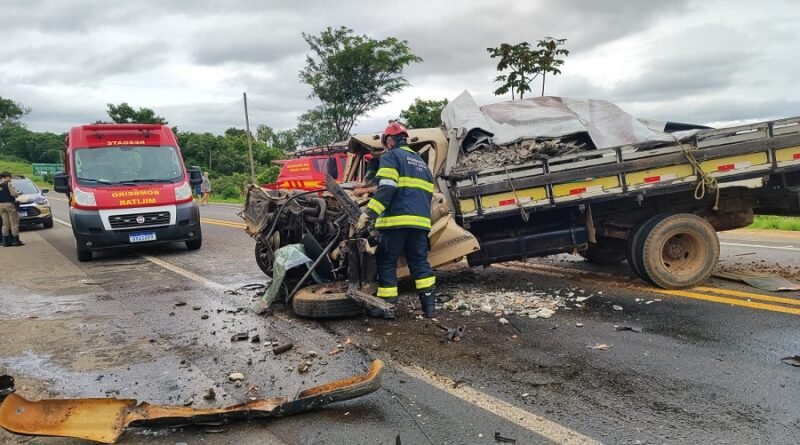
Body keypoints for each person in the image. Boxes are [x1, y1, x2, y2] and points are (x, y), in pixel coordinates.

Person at [356, 123, 437, 318]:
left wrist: (369, 213)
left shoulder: (391, 156)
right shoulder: (421, 163)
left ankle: (387, 308)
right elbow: (427, 194)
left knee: (386, 261)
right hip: (420, 224)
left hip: (395, 222)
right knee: (419, 263)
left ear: (390, 141)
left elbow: (387, 188)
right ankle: (429, 308)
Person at [0, 172, 24, 247]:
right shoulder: (9, 184)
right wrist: (18, 194)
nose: (11, 179)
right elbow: (14, 194)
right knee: (14, 223)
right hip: (9, 205)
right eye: (10, 177)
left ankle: (5, 242)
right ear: (7, 177)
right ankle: (16, 241)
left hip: (1, 205)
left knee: (5, 224)